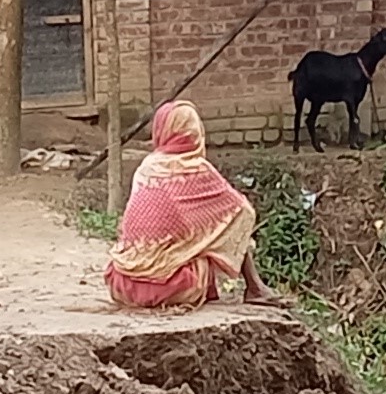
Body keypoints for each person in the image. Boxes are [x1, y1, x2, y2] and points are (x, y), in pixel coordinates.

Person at [107, 101, 279, 310]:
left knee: (196, 237)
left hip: (122, 284)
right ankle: (255, 287)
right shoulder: (195, 168)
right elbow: (242, 212)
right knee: (227, 221)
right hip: (171, 287)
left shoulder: (147, 167)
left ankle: (255, 288)